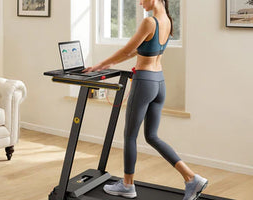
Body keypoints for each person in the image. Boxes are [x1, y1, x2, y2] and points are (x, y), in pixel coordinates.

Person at [82, 0, 208, 199]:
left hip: (144, 81)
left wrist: (99, 65)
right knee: (152, 136)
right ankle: (192, 178)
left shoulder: (150, 22)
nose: (139, 2)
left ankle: (127, 185)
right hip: (159, 82)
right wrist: (110, 64)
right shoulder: (166, 19)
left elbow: (126, 51)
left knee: (130, 136)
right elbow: (135, 51)